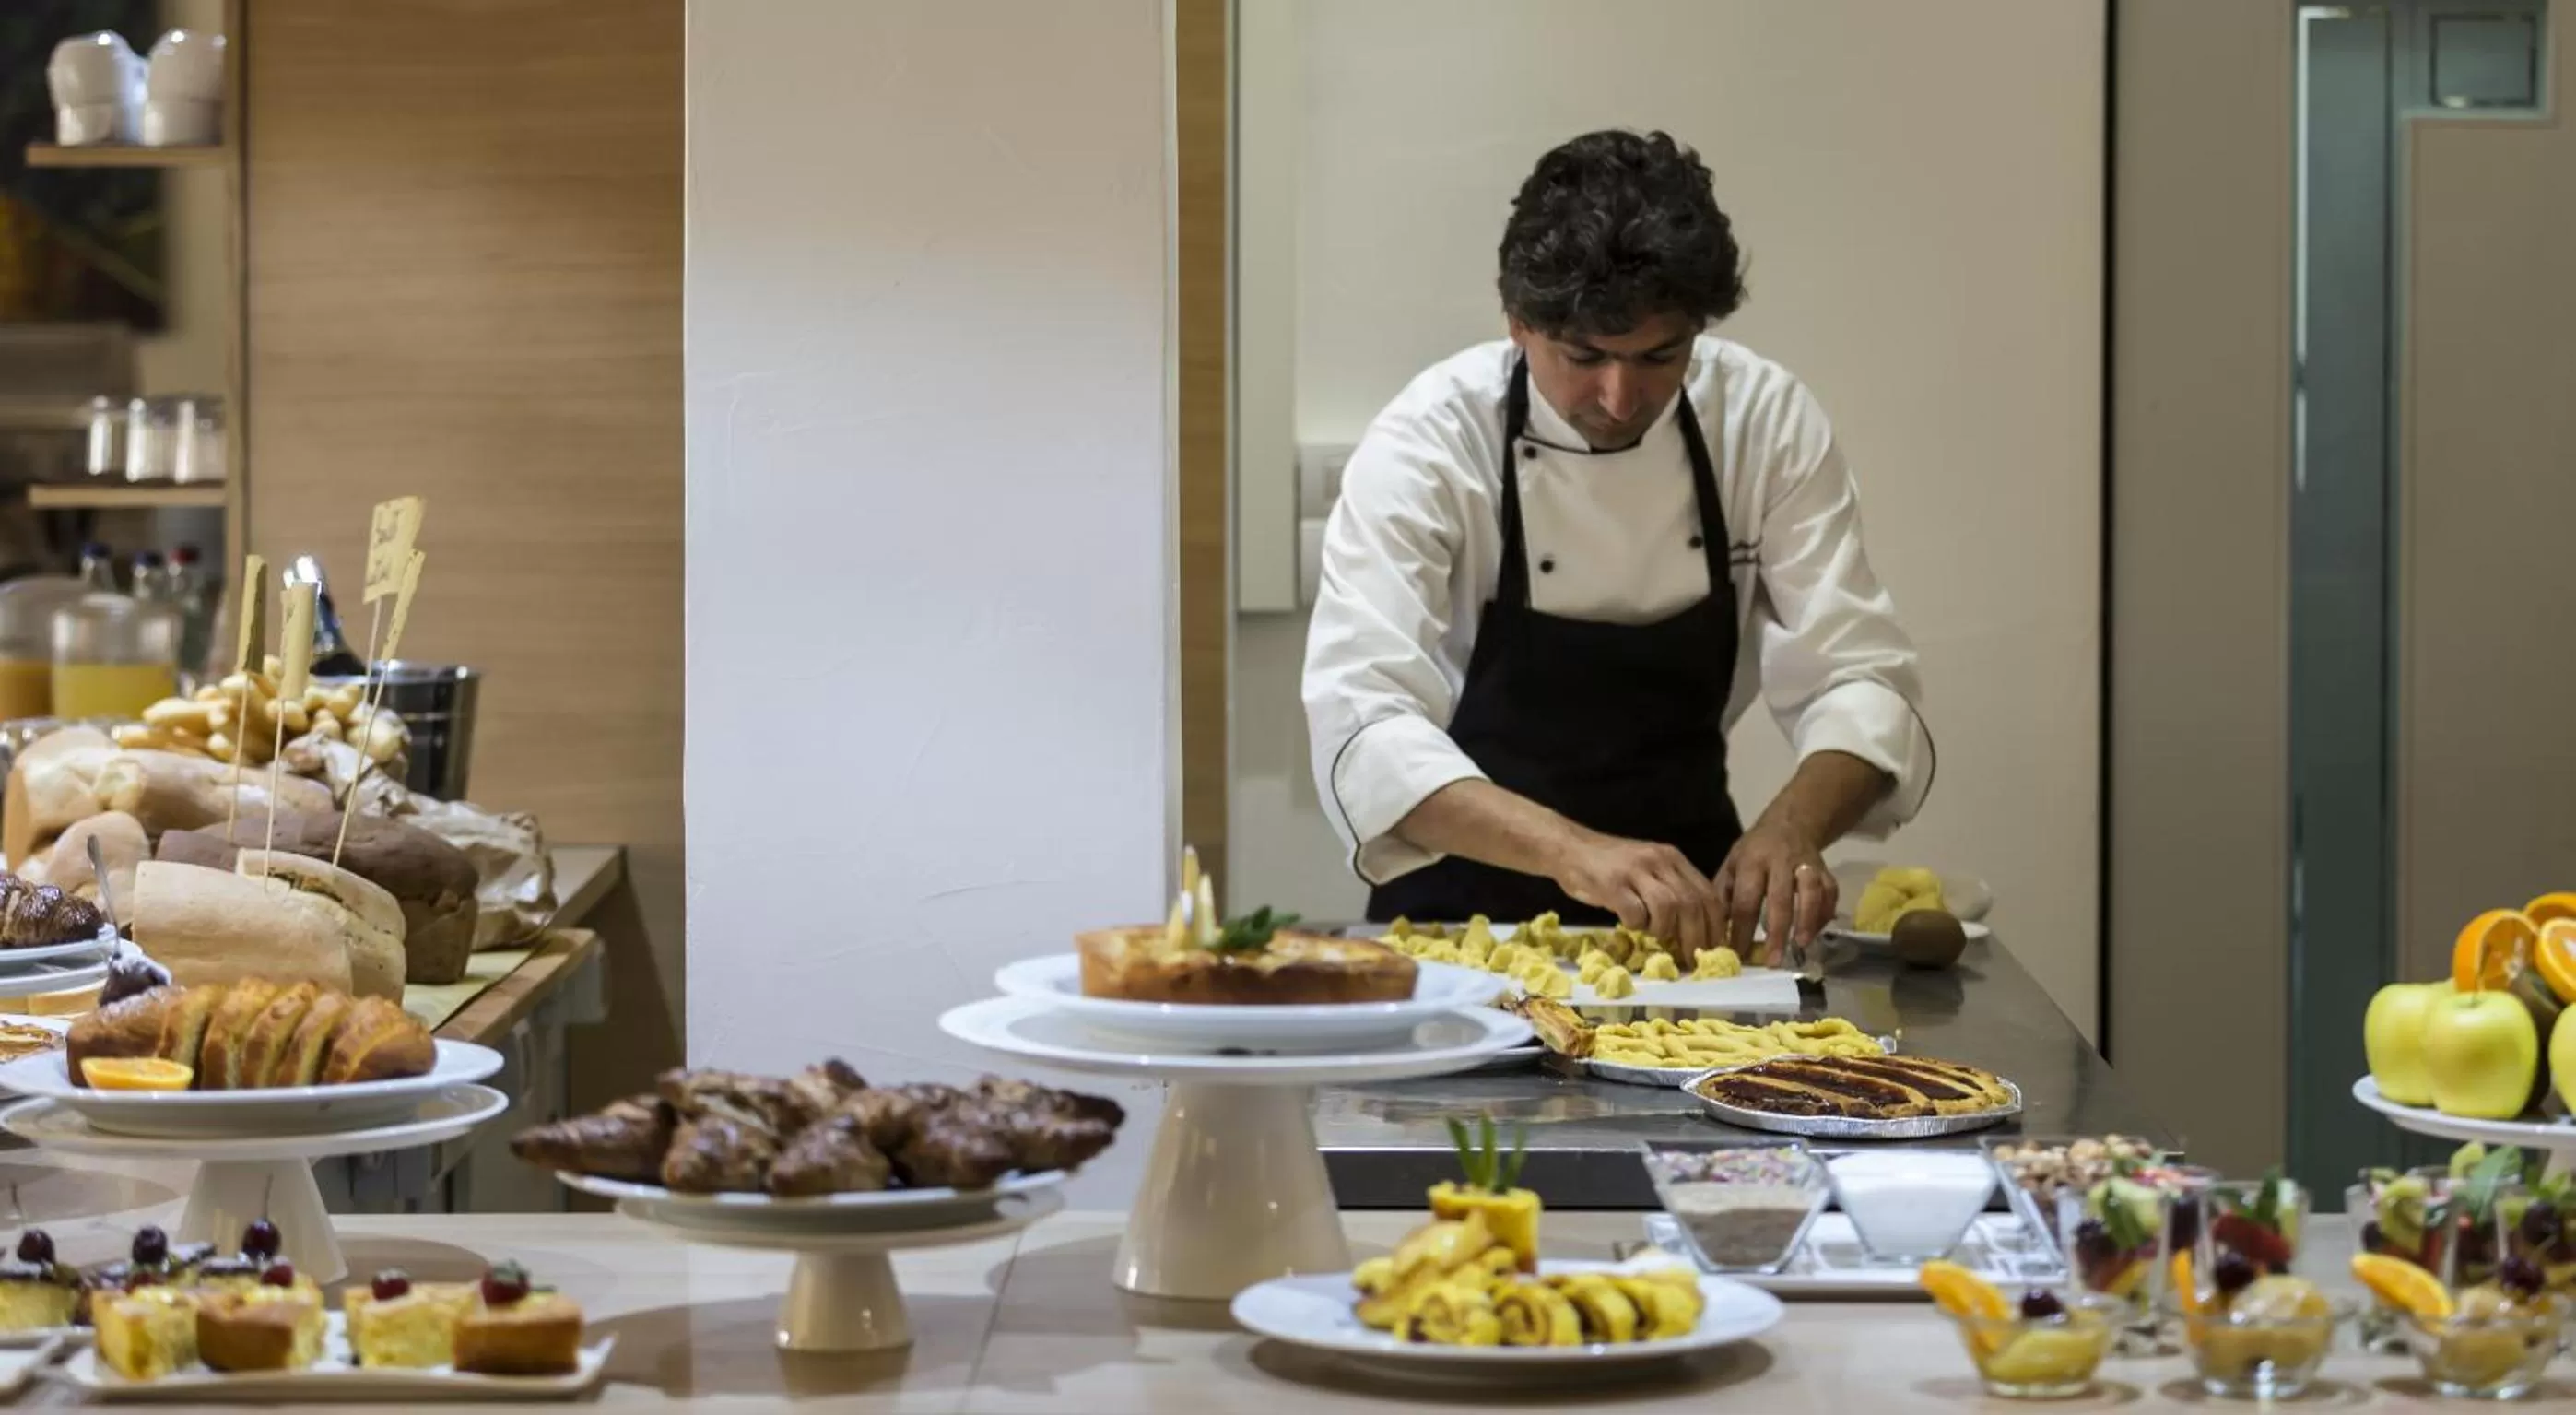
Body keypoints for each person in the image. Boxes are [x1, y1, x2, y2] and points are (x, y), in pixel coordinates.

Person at [1302, 129, 1933, 965]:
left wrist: (1792, 828)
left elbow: (1859, 675)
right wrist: (1574, 851)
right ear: (1518, 323)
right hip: (1458, 926)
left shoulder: (1761, 422)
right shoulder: (1430, 443)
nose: (1618, 395)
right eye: (1584, 356)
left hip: (1689, 926)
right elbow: (1364, 720)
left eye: (1658, 356)